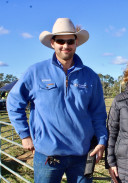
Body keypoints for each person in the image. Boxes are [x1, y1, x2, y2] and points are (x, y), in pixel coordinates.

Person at [7, 18, 108, 183]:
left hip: (82, 156)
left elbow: (98, 113)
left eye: (70, 41)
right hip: (48, 157)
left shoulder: (90, 76)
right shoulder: (35, 72)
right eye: (60, 41)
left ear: (76, 43)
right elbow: (13, 103)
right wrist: (25, 135)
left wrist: (102, 140)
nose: (65, 45)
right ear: (53, 43)